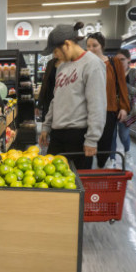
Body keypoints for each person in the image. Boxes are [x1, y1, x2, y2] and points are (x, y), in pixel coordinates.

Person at [38, 22, 107, 170]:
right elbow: (56, 99)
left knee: (76, 187)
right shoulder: (62, 66)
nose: (55, 56)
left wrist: (92, 139)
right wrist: (46, 126)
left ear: (67, 44)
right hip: (57, 135)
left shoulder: (92, 64)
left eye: (56, 51)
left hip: (78, 137)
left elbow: (97, 104)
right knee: (52, 182)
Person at [86, 32, 130, 168]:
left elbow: (121, 85)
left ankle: (101, 168)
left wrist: (123, 107)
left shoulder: (113, 63)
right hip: (87, 110)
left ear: (102, 46)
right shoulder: (84, 63)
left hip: (108, 110)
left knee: (105, 143)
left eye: (95, 45)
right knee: (87, 142)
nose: (91, 49)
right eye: (88, 46)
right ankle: (87, 172)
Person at [109, 49, 136, 165]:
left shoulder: (134, 73)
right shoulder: (111, 72)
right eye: (117, 60)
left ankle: (127, 152)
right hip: (112, 109)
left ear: (129, 60)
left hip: (127, 110)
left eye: (122, 59)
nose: (120, 62)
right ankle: (112, 159)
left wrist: (122, 81)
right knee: (111, 136)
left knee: (123, 135)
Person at [36, 55, 62, 120]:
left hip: (62, 103)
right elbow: (45, 84)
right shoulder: (50, 63)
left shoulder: (68, 64)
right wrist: (39, 105)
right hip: (49, 101)